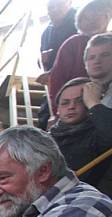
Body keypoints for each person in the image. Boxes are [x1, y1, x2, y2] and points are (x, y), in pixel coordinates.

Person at [49, 77, 112, 195]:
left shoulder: (100, 133)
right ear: (57, 110)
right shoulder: (46, 139)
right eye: (65, 103)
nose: (71, 106)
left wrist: (94, 104)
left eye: (80, 100)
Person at [46, 0, 112, 112]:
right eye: (86, 18)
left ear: (107, 17)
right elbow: (57, 78)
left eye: (96, 16)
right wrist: (56, 111)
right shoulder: (73, 43)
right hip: (74, 106)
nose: (92, 21)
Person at [37, 0, 78, 128]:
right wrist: (42, 60)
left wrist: (52, 72)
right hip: (55, 84)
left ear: (69, 2)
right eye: (50, 7)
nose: (52, 9)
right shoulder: (47, 32)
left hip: (76, 83)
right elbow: (42, 61)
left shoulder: (81, 21)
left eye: (57, 4)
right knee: (44, 117)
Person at [84, 32, 112, 107]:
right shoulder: (79, 92)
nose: (97, 61)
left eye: (105, 55)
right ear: (85, 65)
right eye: (91, 57)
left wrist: (94, 104)